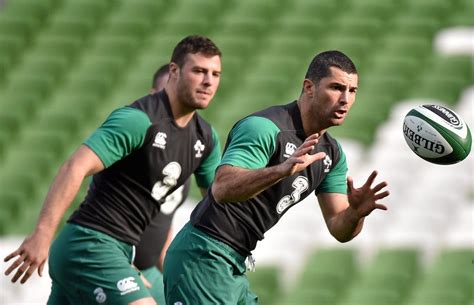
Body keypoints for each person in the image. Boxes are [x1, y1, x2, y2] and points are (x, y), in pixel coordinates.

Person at [4, 35, 222, 305]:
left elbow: (220, 202)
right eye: (199, 71)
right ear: (174, 72)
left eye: (215, 74)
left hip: (117, 253)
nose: (208, 81)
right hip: (90, 244)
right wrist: (42, 234)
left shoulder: (206, 138)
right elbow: (74, 167)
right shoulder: (138, 120)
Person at [163, 50, 390, 305]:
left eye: (353, 91)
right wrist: (281, 170)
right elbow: (222, 188)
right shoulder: (265, 128)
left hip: (234, 262)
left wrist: (356, 213)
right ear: (309, 88)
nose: (345, 99)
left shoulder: (332, 155)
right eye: (337, 88)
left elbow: (339, 227)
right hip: (204, 255)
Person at [133, 63, 192, 304]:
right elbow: (99, 212)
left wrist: (173, 274)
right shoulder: (133, 145)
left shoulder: (189, 150)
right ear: (152, 96)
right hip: (117, 264)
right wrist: (119, 266)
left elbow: (163, 220)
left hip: (150, 269)